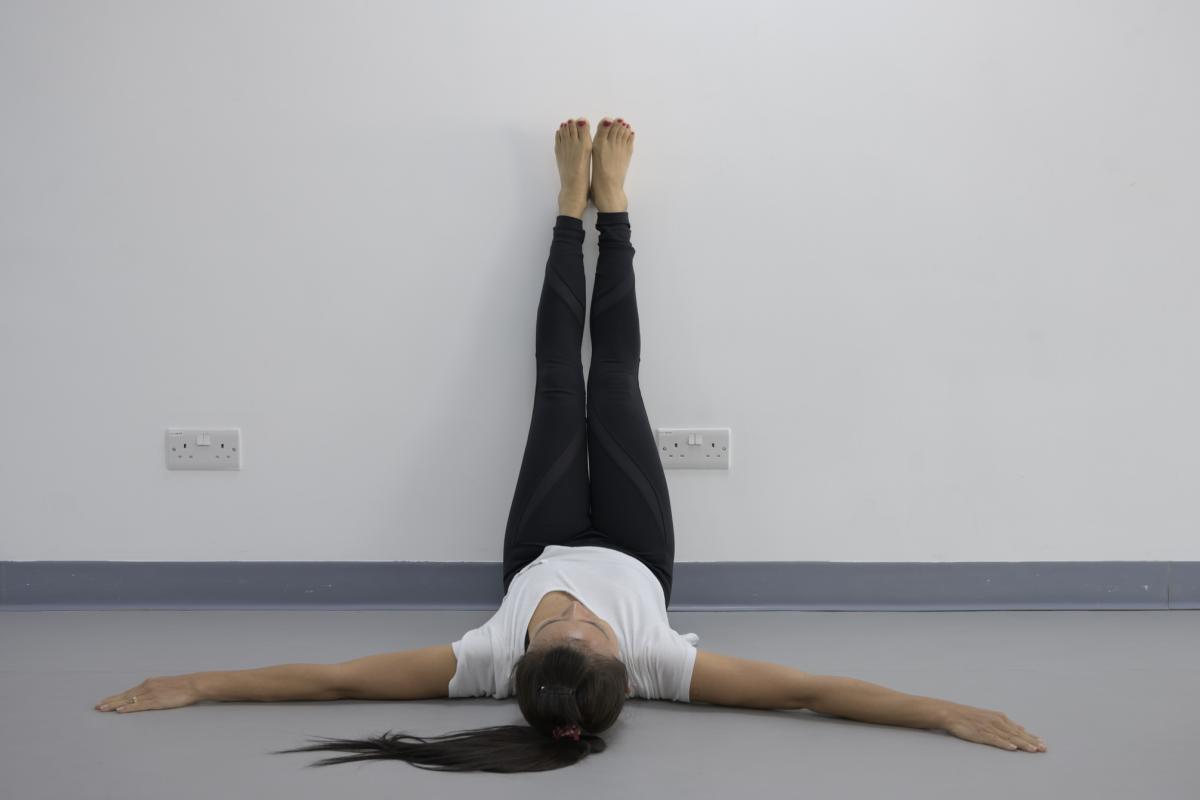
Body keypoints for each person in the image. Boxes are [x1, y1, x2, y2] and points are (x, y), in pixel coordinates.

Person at [94, 116, 1047, 771]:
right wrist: (946, 712)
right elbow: (809, 692)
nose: (579, 620)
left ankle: (567, 205)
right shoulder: (661, 664)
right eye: (589, 635)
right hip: (638, 544)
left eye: (562, 631)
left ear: (521, 659)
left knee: (559, 385)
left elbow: (335, 680)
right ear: (622, 664)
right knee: (618, 383)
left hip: (538, 536)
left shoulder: (486, 657)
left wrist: (196, 683)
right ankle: (616, 209)